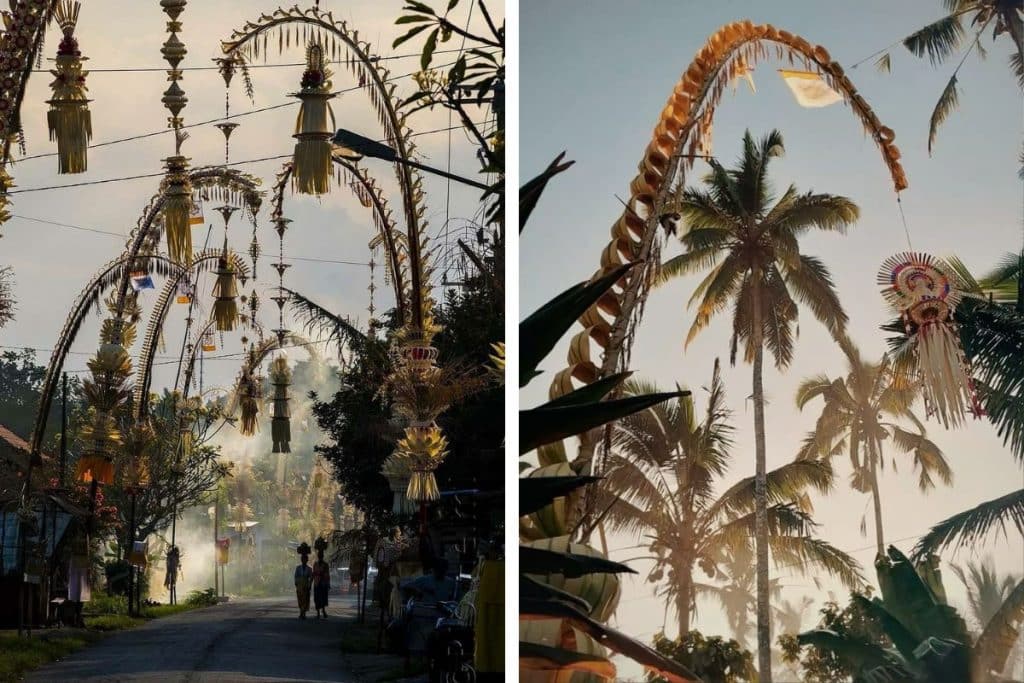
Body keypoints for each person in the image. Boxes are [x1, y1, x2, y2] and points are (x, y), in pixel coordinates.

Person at [312, 537, 331, 619]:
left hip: (323, 583)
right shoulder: (315, 564)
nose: (320, 555)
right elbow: (313, 574)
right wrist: (310, 582)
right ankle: (318, 613)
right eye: (319, 554)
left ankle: (323, 611)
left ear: (322, 556)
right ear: (318, 556)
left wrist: (328, 584)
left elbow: (327, 574)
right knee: (317, 598)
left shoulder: (326, 565)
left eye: (321, 554)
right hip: (316, 583)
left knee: (323, 598)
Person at [294, 542, 313, 619]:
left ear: (307, 560)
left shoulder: (309, 569)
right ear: (301, 560)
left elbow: (311, 578)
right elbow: (295, 576)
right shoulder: (298, 568)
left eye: (305, 559)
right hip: (299, 585)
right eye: (302, 559)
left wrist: (309, 585)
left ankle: (303, 613)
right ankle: (301, 612)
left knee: (305, 599)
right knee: (300, 599)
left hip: (306, 585)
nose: (303, 560)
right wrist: (296, 583)